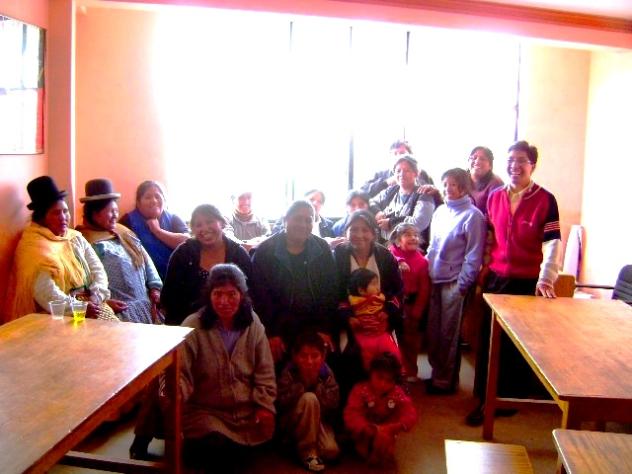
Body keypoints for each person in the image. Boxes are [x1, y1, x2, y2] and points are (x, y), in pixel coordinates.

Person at [466, 141, 561, 426]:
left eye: (521, 160)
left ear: (533, 165)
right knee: (489, 339)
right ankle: (485, 397)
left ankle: (507, 400)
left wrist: (546, 278)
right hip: (496, 277)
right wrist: (483, 267)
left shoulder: (545, 199)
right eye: (510, 160)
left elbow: (552, 243)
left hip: (526, 280)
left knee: (515, 345)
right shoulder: (495, 196)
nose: (514, 166)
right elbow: (489, 237)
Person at [176, 264, 276, 472]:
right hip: (205, 412)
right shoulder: (192, 325)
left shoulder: (253, 323)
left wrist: (264, 405)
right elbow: (180, 373)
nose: (224, 301)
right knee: (217, 448)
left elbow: (265, 371)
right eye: (218, 294)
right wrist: (175, 401)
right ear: (209, 295)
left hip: (245, 413)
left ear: (242, 295)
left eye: (232, 294)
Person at [6, 176, 117, 323]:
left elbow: (98, 269)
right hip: (55, 316)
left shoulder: (74, 238)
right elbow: (45, 293)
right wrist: (80, 307)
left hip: (91, 305)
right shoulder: (33, 249)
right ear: (42, 218)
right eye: (56, 213)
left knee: (116, 330)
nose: (63, 217)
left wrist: (97, 296)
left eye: (65, 211)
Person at [251, 200, 339, 363]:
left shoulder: (322, 249)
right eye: (298, 219)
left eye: (308, 220)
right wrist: (271, 333)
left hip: (314, 325)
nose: (303, 225)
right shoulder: (265, 251)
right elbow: (259, 296)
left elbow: (330, 292)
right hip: (279, 327)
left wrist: (324, 329)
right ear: (285, 219)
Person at [425, 169, 486, 395]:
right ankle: (436, 373)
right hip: (435, 279)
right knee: (434, 332)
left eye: (453, 184)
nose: (448, 188)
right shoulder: (440, 211)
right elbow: (432, 246)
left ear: (463, 187)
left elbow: (474, 255)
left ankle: (445, 382)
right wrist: (425, 270)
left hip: (455, 283)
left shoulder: (473, 216)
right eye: (445, 184)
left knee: (448, 335)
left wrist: (462, 285)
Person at [333, 210, 403, 397]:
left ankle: (388, 399)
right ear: (346, 232)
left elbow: (397, 291)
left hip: (380, 321)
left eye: (365, 230)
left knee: (387, 359)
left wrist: (386, 314)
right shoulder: (338, 256)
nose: (359, 235)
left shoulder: (385, 256)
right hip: (350, 322)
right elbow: (332, 293)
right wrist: (348, 318)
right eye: (353, 229)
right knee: (350, 358)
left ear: (373, 233)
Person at [76, 179, 162, 324]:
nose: (115, 216)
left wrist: (155, 287)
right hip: (118, 315)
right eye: (111, 212)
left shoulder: (124, 232)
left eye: (116, 211)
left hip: (146, 308)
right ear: (95, 214)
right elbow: (81, 284)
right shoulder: (83, 241)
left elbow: (145, 259)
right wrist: (104, 303)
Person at [161, 204, 252, 327]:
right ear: (193, 230)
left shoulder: (238, 254)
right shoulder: (183, 253)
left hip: (231, 326)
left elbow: (250, 294)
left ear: (222, 223)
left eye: (210, 222)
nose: (204, 228)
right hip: (187, 325)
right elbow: (168, 296)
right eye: (198, 225)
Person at [277, 332, 340, 472]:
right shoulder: (289, 372)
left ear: (323, 356)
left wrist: (318, 387)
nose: (309, 361)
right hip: (293, 421)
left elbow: (334, 403)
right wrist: (301, 386)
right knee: (309, 398)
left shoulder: (326, 374)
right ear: (295, 357)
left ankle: (298, 448)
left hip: (318, 421)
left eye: (315, 356)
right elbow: (281, 402)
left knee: (330, 451)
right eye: (304, 356)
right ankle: (308, 452)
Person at [343, 352, 417, 468]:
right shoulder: (360, 390)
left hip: (388, 432)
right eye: (379, 377)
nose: (383, 384)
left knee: (385, 454)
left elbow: (409, 412)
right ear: (371, 373)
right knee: (364, 452)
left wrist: (397, 426)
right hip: (364, 431)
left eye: (389, 380)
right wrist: (369, 429)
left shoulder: (397, 393)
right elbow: (351, 414)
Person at [119, 180, 189, 279]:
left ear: (164, 200)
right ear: (138, 203)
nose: (154, 201)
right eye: (148, 197)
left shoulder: (173, 218)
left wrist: (158, 231)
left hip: (177, 278)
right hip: (144, 280)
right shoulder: (128, 221)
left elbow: (188, 243)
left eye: (158, 196)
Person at [388, 223, 430, 381]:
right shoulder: (391, 254)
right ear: (398, 241)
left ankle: (411, 371)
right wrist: (399, 261)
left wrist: (418, 310)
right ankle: (394, 370)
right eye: (408, 235)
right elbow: (390, 253)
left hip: (411, 306)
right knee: (392, 339)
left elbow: (424, 289)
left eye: (415, 235)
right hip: (393, 304)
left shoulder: (422, 262)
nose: (413, 238)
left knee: (410, 341)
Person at [370, 155, 435, 247]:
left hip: (411, 249)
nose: (401, 174)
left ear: (416, 173)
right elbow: (371, 202)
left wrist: (391, 223)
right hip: (385, 247)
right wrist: (377, 212)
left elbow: (419, 223)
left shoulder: (424, 194)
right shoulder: (391, 190)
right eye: (398, 171)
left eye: (407, 170)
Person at [345, 268, 402, 371]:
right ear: (361, 290)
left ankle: (397, 372)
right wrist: (350, 317)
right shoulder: (352, 300)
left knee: (394, 354)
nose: (377, 287)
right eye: (374, 284)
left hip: (381, 335)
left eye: (377, 283)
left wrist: (387, 312)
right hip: (363, 336)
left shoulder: (381, 297)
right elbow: (342, 309)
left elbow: (395, 302)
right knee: (367, 362)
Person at [360, 140, 434, 198]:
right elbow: (362, 193)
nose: (398, 157)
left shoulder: (421, 173)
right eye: (395, 154)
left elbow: (433, 195)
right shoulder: (380, 175)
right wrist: (385, 183)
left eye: (402, 153)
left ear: (410, 155)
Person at [467, 146, 504, 214]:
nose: (477, 161)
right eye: (474, 158)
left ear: (490, 166)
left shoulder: (496, 183)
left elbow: (496, 214)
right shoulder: (462, 179)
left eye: (482, 159)